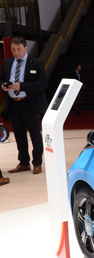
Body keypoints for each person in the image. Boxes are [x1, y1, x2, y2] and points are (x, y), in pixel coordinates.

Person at [0, 36, 48, 175]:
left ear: (25, 48)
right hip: (13, 104)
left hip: (29, 103)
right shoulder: (7, 63)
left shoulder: (37, 63)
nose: (16, 52)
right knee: (19, 134)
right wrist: (3, 86)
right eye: (13, 49)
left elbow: (43, 83)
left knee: (35, 134)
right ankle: (24, 162)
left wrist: (22, 86)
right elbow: (1, 79)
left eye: (19, 49)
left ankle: (37, 163)